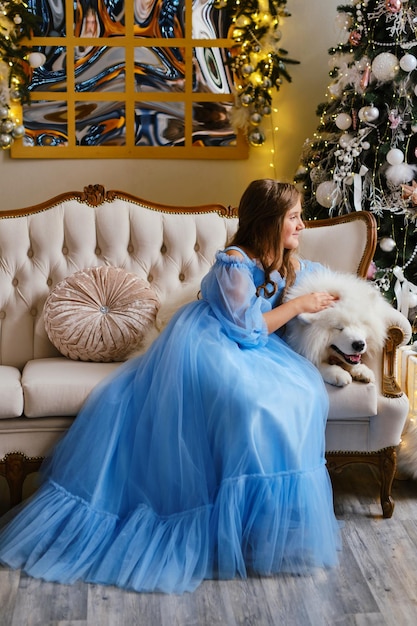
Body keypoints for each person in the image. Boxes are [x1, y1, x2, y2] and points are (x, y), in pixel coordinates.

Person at [0, 179, 341, 594]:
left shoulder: (285, 259)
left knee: (299, 396)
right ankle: (217, 524)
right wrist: (299, 305)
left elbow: (320, 283)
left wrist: (333, 298)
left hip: (255, 350)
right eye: (294, 217)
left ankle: (266, 526)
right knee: (250, 404)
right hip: (212, 342)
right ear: (269, 221)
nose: (302, 225)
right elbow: (247, 329)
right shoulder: (235, 261)